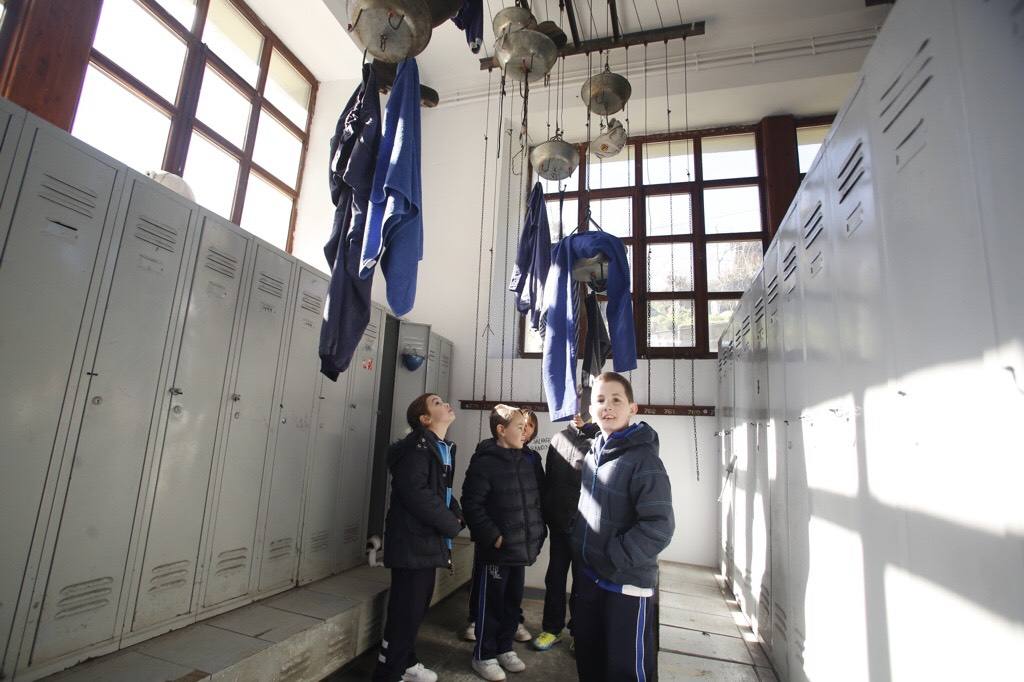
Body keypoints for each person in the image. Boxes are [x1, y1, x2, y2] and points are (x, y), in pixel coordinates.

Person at [571, 373, 675, 682]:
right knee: (589, 658)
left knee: (625, 669)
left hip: (625, 583)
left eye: (616, 400)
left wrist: (613, 556)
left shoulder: (644, 459)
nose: (608, 407)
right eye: (600, 400)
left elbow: (660, 526)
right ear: (591, 409)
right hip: (590, 578)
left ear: (633, 408)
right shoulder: (594, 452)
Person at [373, 394, 463, 682]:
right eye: (437, 403)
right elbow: (417, 495)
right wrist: (451, 523)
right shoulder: (416, 449)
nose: (445, 403)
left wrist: (457, 514)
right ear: (425, 419)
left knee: (415, 610)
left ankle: (406, 662)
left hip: (424, 542)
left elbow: (441, 492)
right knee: (405, 613)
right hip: (412, 542)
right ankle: (388, 673)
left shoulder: (438, 447)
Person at [461, 405, 547, 681]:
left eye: (526, 427)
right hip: (497, 551)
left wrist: (538, 534)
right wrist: (493, 536)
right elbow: (472, 504)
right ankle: (483, 655)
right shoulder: (485, 461)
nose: (525, 432)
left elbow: (533, 503)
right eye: (520, 427)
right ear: (501, 430)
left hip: (520, 549)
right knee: (492, 604)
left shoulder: (525, 460)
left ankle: (504, 648)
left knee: (512, 602)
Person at [532, 412, 599, 652]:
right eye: (575, 407)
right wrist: (549, 514)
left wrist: (592, 430)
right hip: (559, 524)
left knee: (583, 584)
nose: (579, 412)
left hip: (585, 528)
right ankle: (551, 629)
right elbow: (550, 480)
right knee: (555, 579)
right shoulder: (558, 439)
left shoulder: (599, 439)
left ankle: (580, 634)